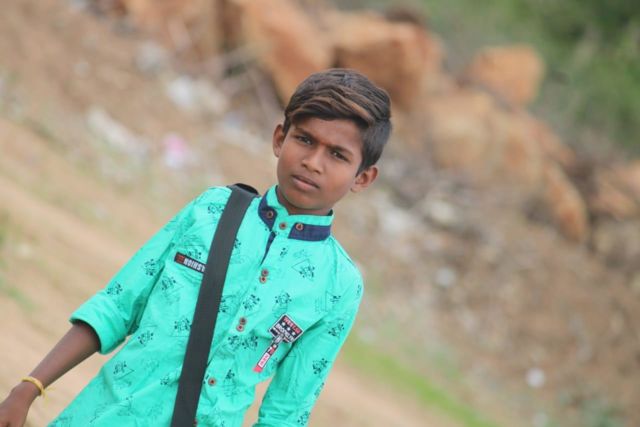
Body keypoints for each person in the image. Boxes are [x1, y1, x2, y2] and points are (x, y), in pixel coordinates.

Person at [0, 68, 392, 426]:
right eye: (304, 139)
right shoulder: (212, 210)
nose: (313, 162)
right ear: (279, 138)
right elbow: (117, 307)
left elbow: (286, 413)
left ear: (363, 178)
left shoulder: (339, 285)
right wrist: (29, 387)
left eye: (337, 155)